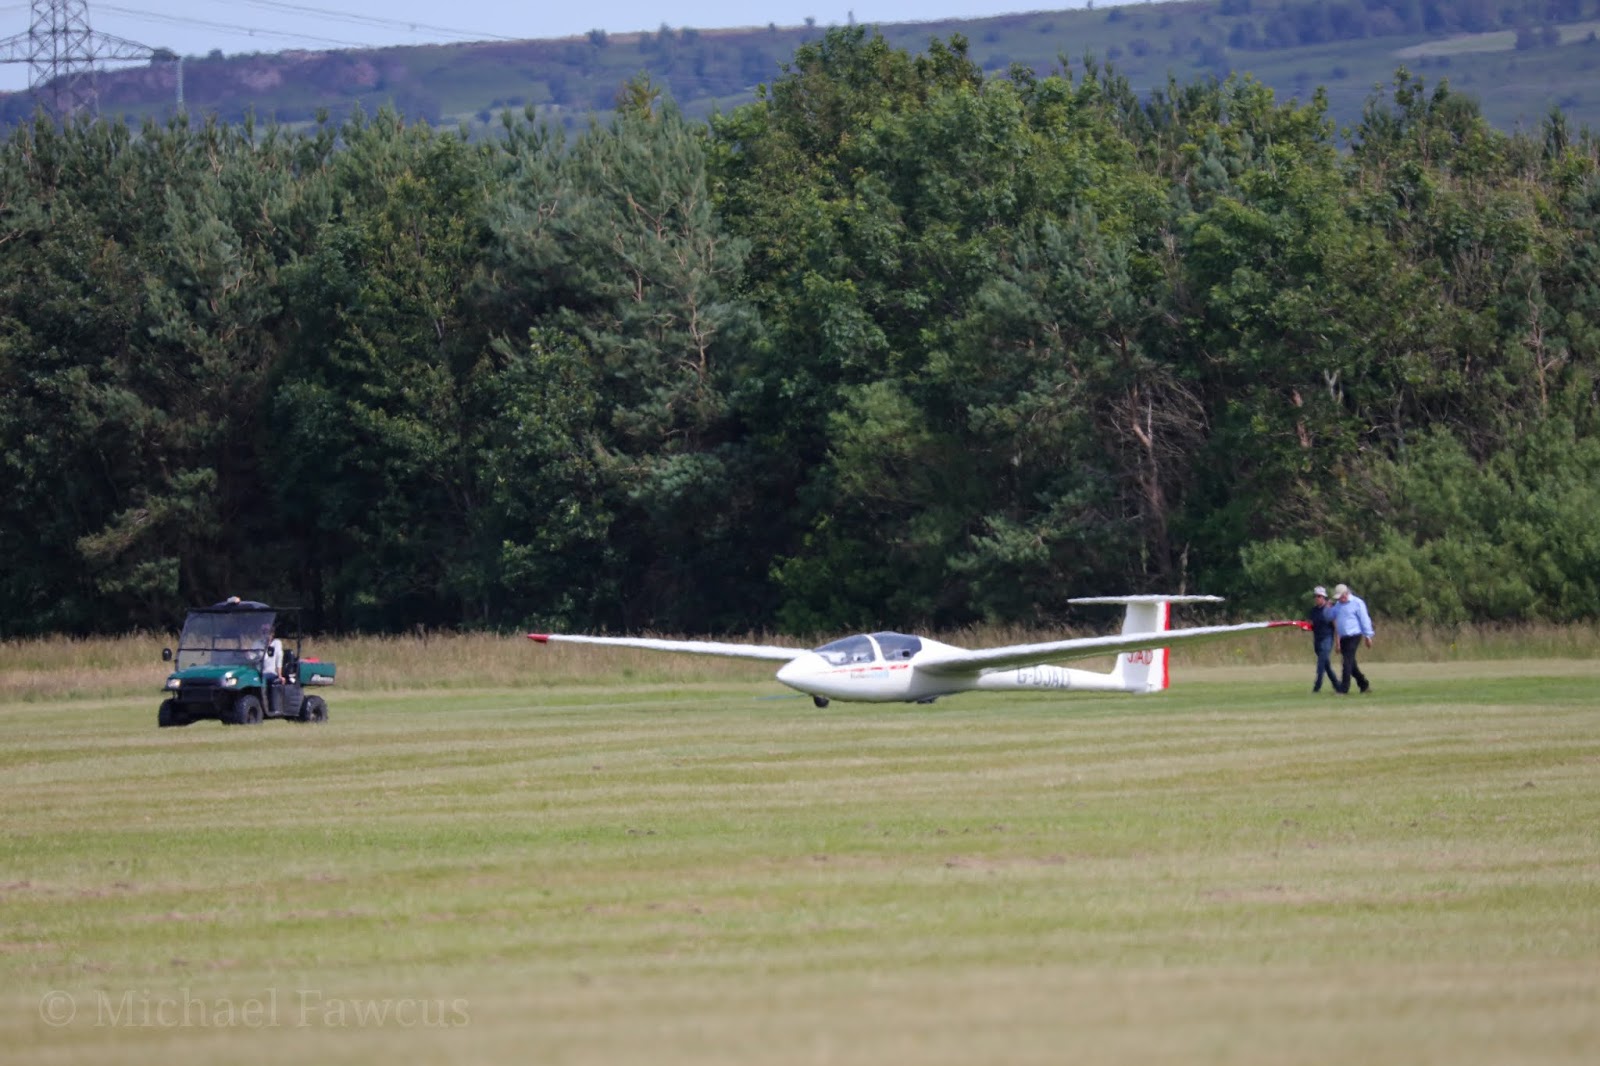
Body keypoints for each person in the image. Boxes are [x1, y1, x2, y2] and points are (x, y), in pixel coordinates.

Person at [1325, 583, 1374, 694]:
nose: (1340, 599)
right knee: (1351, 665)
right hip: (1344, 638)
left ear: (1346, 594)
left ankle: (1343, 689)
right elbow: (1330, 617)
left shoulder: (1357, 603)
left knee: (1346, 662)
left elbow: (1364, 619)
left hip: (1354, 636)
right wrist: (1328, 608)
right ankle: (1364, 685)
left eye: (1341, 596)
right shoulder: (1338, 605)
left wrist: (1368, 635)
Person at [1308, 586, 1338, 693]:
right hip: (1317, 639)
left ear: (1324, 597)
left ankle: (1317, 687)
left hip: (1327, 638)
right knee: (1326, 665)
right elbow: (1311, 624)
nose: (1317, 598)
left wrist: (1338, 642)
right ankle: (1337, 685)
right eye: (1315, 596)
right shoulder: (1314, 611)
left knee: (1321, 663)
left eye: (1319, 596)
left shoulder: (1329, 609)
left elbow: (1336, 626)